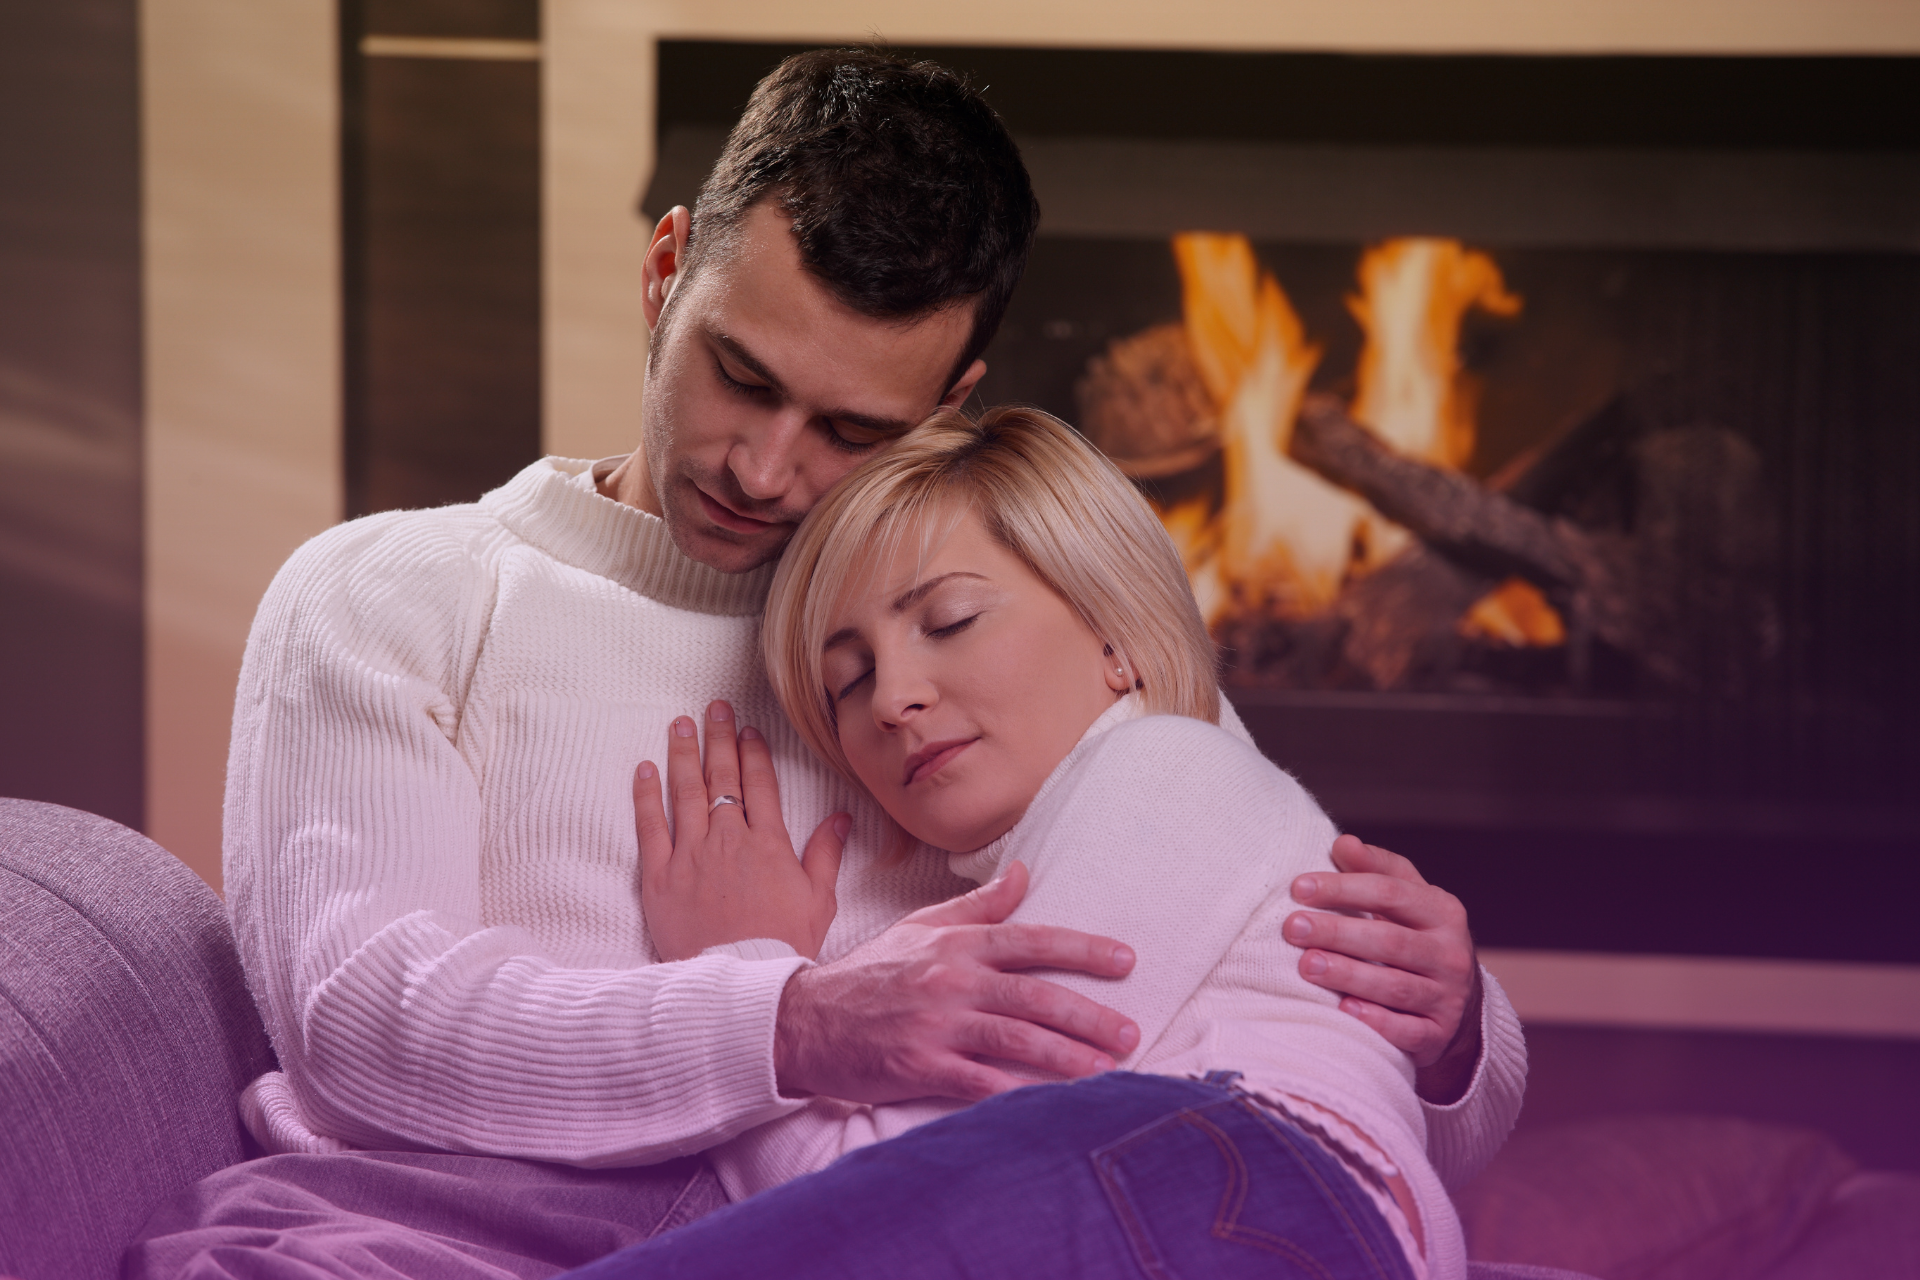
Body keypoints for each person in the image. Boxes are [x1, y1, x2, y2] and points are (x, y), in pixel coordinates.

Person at [129, 48, 1515, 1280]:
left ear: (951, 401)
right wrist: (785, 1023)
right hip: (447, 1233)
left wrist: (1455, 1030)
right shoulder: (394, 593)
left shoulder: (992, 623)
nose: (763, 465)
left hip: (900, 1218)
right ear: (667, 269)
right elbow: (358, 1020)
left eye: (851, 429)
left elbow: (1307, 1008)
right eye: (739, 373)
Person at [566, 406, 1522, 1280]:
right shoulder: (1090, 845)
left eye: (949, 620)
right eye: (848, 682)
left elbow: (878, 1179)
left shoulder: (1171, 769)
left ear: (1116, 633)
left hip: (1243, 1180)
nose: (893, 697)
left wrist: (745, 968)